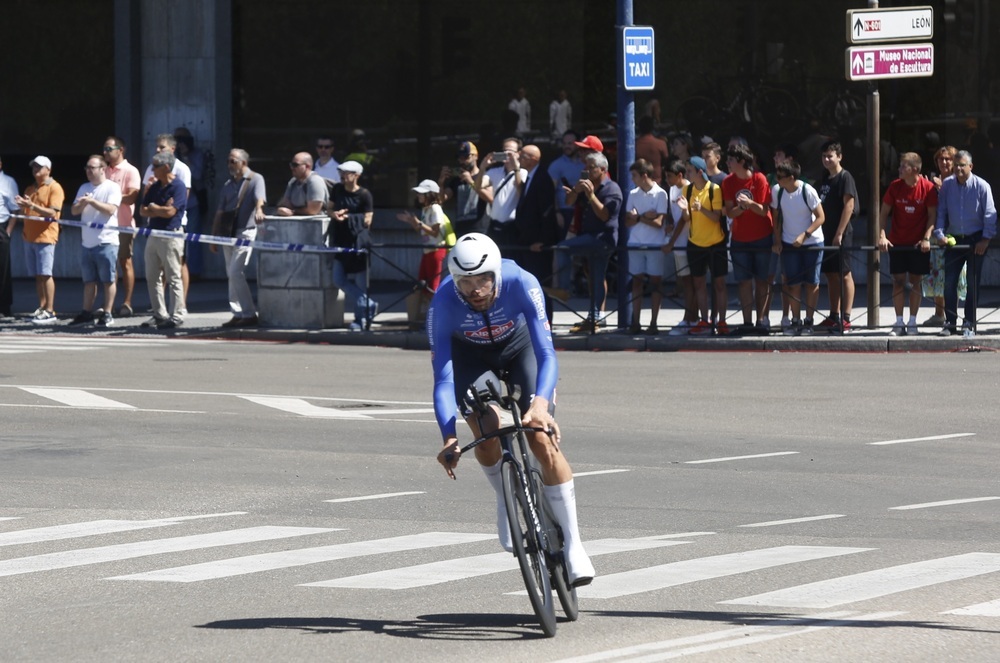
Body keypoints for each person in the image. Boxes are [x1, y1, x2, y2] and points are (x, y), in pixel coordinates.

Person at [430, 233, 595, 587]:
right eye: (465, 282)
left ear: (496, 274)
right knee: (487, 427)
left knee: (540, 438)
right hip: (469, 355)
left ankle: (576, 546)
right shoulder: (443, 301)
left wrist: (539, 405)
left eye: (483, 280)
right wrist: (448, 437)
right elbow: (443, 379)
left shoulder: (521, 280)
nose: (475, 290)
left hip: (521, 348)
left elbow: (548, 354)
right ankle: (506, 500)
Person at [933, 150, 997, 337]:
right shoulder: (947, 185)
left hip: (976, 238)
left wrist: (985, 239)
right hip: (954, 239)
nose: (959, 168)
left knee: (972, 283)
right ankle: (950, 322)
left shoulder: (982, 186)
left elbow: (990, 215)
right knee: (949, 282)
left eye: (962, 165)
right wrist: (939, 233)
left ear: (971, 166)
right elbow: (941, 212)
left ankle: (969, 322)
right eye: (957, 165)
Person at [556, 151, 622, 333]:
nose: (586, 170)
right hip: (589, 236)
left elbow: (605, 215)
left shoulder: (611, 189)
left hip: (602, 239)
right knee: (596, 278)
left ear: (602, 169)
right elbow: (569, 202)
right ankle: (594, 318)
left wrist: (592, 196)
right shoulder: (587, 186)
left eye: (590, 167)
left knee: (563, 248)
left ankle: (563, 289)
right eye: (585, 166)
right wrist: (577, 191)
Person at [877, 152, 938, 336]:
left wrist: (927, 238)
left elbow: (932, 216)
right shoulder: (895, 187)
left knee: (915, 282)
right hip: (897, 242)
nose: (899, 169)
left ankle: (912, 322)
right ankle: (898, 322)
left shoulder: (927, 188)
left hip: (918, 244)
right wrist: (882, 236)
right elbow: (883, 213)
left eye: (903, 166)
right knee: (897, 282)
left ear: (915, 169)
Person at [722, 143, 773, 332]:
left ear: (742, 162)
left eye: (731, 160)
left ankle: (761, 321)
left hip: (762, 236)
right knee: (743, 281)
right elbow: (730, 212)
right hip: (740, 239)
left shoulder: (759, 179)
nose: (727, 163)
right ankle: (747, 322)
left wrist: (750, 203)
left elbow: (763, 210)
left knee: (762, 280)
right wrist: (741, 207)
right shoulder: (728, 181)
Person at [212, 148, 266, 328]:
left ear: (243, 162)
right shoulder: (228, 184)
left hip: (246, 230)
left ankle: (249, 313)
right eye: (228, 161)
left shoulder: (255, 179)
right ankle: (237, 312)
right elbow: (220, 211)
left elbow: (260, 199)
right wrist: (214, 236)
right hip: (228, 231)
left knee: (236, 271)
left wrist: (259, 209)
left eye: (233, 161)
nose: (229, 164)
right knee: (231, 273)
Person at [772, 161, 825, 336]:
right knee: (792, 283)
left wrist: (805, 235)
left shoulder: (806, 190)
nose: (777, 180)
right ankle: (796, 320)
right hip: (789, 242)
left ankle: (808, 321)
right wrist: (778, 240)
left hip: (812, 242)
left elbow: (820, 217)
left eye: (780, 177)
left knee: (811, 283)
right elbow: (777, 217)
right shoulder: (778, 192)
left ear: (791, 178)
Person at [675, 156, 727, 335]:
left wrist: (701, 208)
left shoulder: (714, 189)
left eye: (689, 171)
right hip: (695, 243)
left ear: (699, 172)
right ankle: (704, 320)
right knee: (699, 284)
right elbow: (687, 219)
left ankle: (721, 322)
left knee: (719, 284)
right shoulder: (687, 190)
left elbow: (716, 217)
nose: (686, 174)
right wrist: (684, 210)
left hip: (715, 243)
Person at [69, 155, 122, 327]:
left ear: (103, 169)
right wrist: (83, 203)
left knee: (108, 280)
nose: (88, 171)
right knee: (89, 281)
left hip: (106, 241)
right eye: (87, 168)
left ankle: (107, 312)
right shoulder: (84, 187)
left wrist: (92, 201)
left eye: (92, 168)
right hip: (87, 242)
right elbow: (74, 211)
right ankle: (86, 312)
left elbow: (110, 209)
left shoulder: (112, 187)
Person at [139, 151, 187, 329]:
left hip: (171, 235)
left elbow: (171, 212)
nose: (152, 169)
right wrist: (158, 209)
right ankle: (160, 314)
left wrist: (155, 208)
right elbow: (143, 210)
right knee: (152, 276)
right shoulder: (155, 186)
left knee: (173, 275)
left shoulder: (178, 186)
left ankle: (177, 314)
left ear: (166, 167)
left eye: (156, 166)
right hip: (154, 233)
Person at [142, 133, 193, 304]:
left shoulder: (182, 169)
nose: (157, 150)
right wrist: (158, 206)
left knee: (178, 265)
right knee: (156, 270)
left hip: (175, 225)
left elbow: (178, 204)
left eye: (162, 147)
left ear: (172, 149)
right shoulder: (152, 168)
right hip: (154, 225)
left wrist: (156, 207)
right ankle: (160, 306)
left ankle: (180, 304)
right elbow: (144, 203)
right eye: (156, 146)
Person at [13, 156, 65, 323]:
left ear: (48, 169)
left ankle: (50, 310)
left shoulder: (54, 187)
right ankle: (42, 306)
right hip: (30, 237)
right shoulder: (30, 188)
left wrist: (32, 206)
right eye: (34, 167)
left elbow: (53, 212)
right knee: (38, 275)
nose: (36, 170)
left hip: (46, 237)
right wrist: (22, 207)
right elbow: (25, 214)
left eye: (39, 167)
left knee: (46, 273)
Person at [397, 179, 454, 328]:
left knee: (433, 286)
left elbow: (435, 232)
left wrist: (419, 223)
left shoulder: (435, 208)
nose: (418, 196)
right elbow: (422, 231)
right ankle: (428, 317)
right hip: (427, 250)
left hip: (436, 250)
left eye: (421, 193)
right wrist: (412, 222)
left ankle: (436, 320)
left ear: (429, 194)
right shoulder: (425, 209)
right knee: (423, 284)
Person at [816, 141, 859, 332]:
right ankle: (834, 315)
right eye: (824, 156)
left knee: (845, 273)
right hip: (824, 233)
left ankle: (846, 317)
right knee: (830, 274)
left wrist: (839, 233)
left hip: (841, 234)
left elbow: (849, 205)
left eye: (830, 156)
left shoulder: (845, 177)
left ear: (839, 156)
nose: (826, 159)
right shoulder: (824, 178)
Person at [328, 160, 376, 331]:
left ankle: (360, 320)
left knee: (361, 282)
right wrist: (335, 214)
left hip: (358, 244)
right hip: (341, 242)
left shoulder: (364, 195)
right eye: (341, 172)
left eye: (346, 173)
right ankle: (368, 303)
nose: (342, 176)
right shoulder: (337, 190)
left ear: (356, 176)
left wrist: (349, 218)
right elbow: (329, 209)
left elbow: (368, 220)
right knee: (338, 279)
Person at [512, 144, 559, 320]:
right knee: (528, 286)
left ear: (533, 159)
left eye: (522, 156)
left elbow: (547, 213)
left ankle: (545, 321)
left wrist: (544, 241)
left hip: (538, 245)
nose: (519, 158)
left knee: (540, 286)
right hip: (526, 242)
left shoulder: (542, 179)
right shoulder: (531, 178)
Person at [624, 159, 668, 334]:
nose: (632, 179)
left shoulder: (660, 194)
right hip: (635, 242)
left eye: (634, 175)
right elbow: (628, 221)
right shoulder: (633, 194)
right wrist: (643, 217)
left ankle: (654, 322)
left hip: (655, 243)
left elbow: (658, 223)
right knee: (636, 282)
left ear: (644, 176)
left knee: (655, 283)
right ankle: (636, 321)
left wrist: (638, 218)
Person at [922, 145, 962, 327]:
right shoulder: (932, 183)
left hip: (954, 234)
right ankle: (939, 314)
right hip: (936, 235)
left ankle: (952, 314)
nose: (944, 162)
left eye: (948, 159)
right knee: (937, 274)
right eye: (941, 159)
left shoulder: (958, 181)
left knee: (953, 276)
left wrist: (942, 187)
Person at [102, 136, 141, 318]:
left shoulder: (130, 170)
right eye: (104, 149)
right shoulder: (103, 171)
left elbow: (132, 197)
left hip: (123, 224)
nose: (106, 152)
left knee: (125, 262)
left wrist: (111, 199)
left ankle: (127, 301)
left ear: (121, 150)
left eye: (109, 149)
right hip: (104, 225)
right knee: (106, 264)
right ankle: (107, 304)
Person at [662, 159, 697, 335]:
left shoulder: (689, 189)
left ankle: (690, 319)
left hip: (688, 242)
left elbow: (685, 219)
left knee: (691, 283)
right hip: (678, 243)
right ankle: (691, 318)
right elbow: (675, 217)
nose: (667, 179)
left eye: (669, 176)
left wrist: (671, 242)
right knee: (686, 282)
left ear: (680, 175)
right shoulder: (672, 189)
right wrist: (669, 225)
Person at [474, 137, 526, 249]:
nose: (506, 153)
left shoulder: (523, 173)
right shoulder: (494, 171)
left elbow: (521, 190)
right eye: (504, 151)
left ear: (519, 153)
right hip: (494, 227)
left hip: (512, 227)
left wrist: (516, 168)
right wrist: (482, 167)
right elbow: (478, 186)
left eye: (510, 151)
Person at [173, 127, 209, 281]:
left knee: (193, 238)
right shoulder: (171, 156)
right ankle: (175, 271)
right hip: (175, 204)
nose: (181, 144)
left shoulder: (197, 154)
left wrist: (186, 157)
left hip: (192, 202)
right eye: (178, 141)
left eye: (184, 141)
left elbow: (198, 174)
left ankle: (194, 271)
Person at [438, 141, 486, 237]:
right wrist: (441, 182)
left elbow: (489, 197)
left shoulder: (484, 176)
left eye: (466, 157)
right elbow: (441, 199)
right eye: (460, 158)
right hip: (461, 228)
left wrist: (471, 181)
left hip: (479, 228)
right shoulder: (457, 180)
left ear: (475, 156)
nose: (462, 161)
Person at [547, 130, 584, 244]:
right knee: (564, 247)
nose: (567, 146)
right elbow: (550, 191)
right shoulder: (556, 165)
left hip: (582, 212)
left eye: (570, 143)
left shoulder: (586, 163)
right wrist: (557, 213)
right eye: (565, 143)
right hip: (564, 212)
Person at [276, 152, 327, 216]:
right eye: (291, 164)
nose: (292, 168)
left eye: (295, 165)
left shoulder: (314, 181)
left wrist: (293, 211)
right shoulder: (293, 182)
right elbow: (285, 204)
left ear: (307, 166)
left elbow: (313, 210)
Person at [0, 156, 20, 317]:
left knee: (2, 268)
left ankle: (4, 306)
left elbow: (15, 209)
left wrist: (8, 231)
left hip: (2, 226)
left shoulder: (8, 181)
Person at [635, 115, 670, 185]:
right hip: (656, 182)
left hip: (638, 182)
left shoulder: (634, 145)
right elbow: (666, 162)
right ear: (652, 128)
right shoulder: (661, 143)